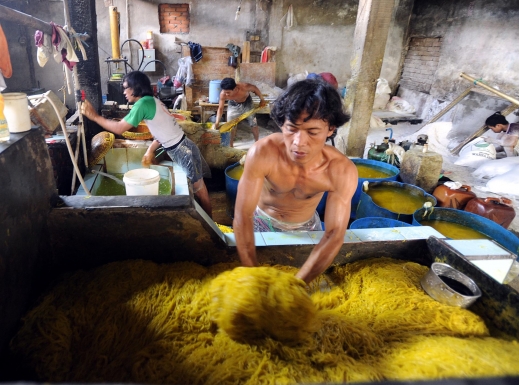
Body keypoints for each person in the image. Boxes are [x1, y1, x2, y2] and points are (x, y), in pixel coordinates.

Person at [233, 79, 357, 285]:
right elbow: (242, 214)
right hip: (260, 221)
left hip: (305, 228)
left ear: (331, 129)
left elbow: (335, 233)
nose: (299, 143)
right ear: (282, 124)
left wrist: (297, 284)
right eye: (291, 129)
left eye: (312, 132)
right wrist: (251, 272)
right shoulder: (263, 152)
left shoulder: (340, 170)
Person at [80, 71, 213, 218]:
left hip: (181, 150)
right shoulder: (152, 100)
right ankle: (210, 222)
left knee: (200, 190)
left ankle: (212, 227)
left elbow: (119, 128)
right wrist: (150, 150)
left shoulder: (142, 104)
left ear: (136, 87)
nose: (124, 92)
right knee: (200, 189)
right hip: (185, 146)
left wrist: (94, 116)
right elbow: (163, 132)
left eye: (126, 88)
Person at [211, 78, 266, 147]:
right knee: (230, 125)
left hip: (247, 103)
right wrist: (217, 123)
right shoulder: (223, 94)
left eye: (228, 92)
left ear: (235, 88)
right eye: (225, 92)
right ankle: (231, 146)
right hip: (233, 104)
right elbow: (220, 108)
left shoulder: (244, 87)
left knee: (253, 123)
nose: (226, 94)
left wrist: (262, 99)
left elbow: (254, 88)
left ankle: (257, 143)